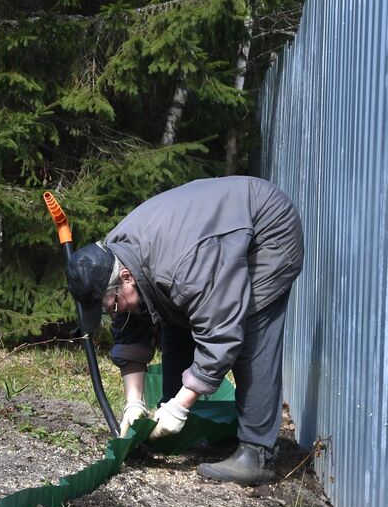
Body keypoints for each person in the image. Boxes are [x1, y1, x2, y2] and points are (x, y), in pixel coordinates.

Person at [64, 176, 303, 486]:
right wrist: (133, 403)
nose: (112, 312)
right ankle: (182, 426)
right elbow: (129, 326)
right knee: (173, 318)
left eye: (111, 304)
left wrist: (180, 406)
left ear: (125, 277)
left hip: (267, 229)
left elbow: (220, 334)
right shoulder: (115, 259)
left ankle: (257, 454)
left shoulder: (183, 269)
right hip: (210, 237)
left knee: (250, 331)